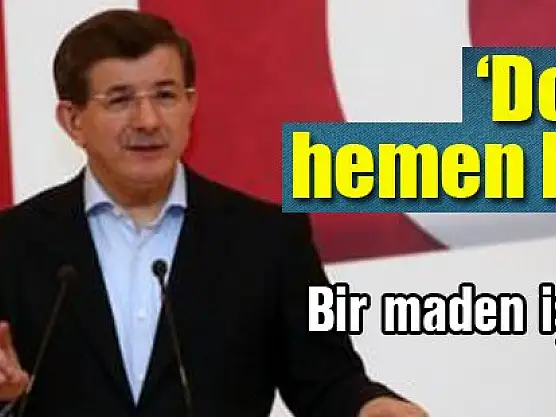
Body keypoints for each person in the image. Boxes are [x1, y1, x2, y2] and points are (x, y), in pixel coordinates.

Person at [0, 9, 427, 417]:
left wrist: (370, 407)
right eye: (120, 100)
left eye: (165, 96)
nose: (148, 120)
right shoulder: (13, 244)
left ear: (190, 105)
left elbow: (329, 381)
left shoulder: (268, 239)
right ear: (73, 120)